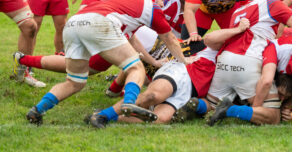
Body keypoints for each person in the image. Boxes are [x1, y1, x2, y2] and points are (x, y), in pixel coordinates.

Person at [26, 0, 192, 125]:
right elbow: (169, 39)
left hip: (74, 23)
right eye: (162, 0)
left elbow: (131, 39)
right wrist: (185, 62)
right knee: (135, 68)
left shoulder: (127, 2)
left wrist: (153, 61)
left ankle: (37, 110)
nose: (164, 4)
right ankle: (129, 103)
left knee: (75, 82)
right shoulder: (153, 9)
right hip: (98, 22)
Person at [177, 0, 292, 125]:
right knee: (273, 116)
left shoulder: (238, 11)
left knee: (211, 105)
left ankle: (197, 104)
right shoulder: (271, 3)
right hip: (248, 61)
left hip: (224, 61)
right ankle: (231, 110)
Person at [86, 46, 219, 127]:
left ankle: (107, 116)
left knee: (160, 119)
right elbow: (210, 38)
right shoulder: (224, 42)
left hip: (193, 90)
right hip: (184, 70)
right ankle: (105, 114)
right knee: (153, 96)